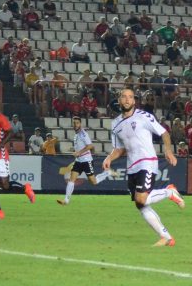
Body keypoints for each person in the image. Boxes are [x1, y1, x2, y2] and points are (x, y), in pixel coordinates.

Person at [103, 88, 185, 247]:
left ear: (134, 101)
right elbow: (120, 149)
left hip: (147, 161)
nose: (127, 100)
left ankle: (169, 191)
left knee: (142, 198)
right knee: (140, 204)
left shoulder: (144, 116)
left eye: (130, 97)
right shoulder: (115, 124)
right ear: (119, 100)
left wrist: (168, 150)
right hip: (131, 166)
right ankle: (166, 237)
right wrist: (109, 157)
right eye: (124, 97)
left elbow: (164, 133)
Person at [57, 116, 116, 205]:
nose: (75, 124)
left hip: (86, 160)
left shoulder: (83, 134)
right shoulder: (76, 134)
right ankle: (66, 200)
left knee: (94, 182)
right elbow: (82, 146)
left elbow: (90, 146)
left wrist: (79, 152)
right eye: (74, 123)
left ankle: (107, 173)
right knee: (71, 179)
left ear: (80, 124)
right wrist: (74, 150)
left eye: (77, 123)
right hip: (78, 161)